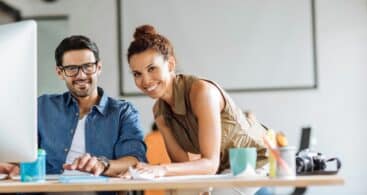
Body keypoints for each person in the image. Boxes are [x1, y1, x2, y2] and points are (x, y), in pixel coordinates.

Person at [125, 24, 268, 194]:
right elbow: (181, 167)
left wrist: (161, 169)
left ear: (170, 64)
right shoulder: (160, 111)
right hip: (222, 168)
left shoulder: (201, 92)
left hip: (251, 162)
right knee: (178, 191)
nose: (146, 80)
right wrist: (150, 168)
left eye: (151, 69)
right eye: (137, 74)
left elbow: (210, 163)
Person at [1, 36, 146, 194]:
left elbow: (135, 160)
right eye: (71, 69)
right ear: (60, 72)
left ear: (99, 67)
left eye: (88, 66)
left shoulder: (122, 112)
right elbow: (21, 152)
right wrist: (10, 164)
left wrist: (102, 164)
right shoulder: (42, 106)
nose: (81, 75)